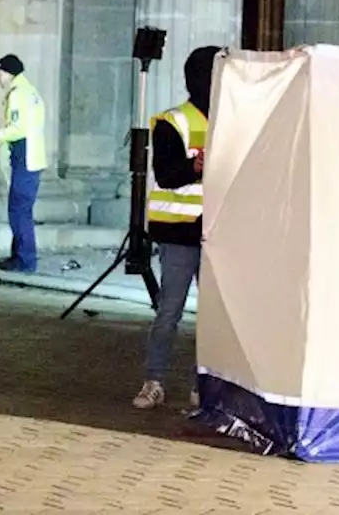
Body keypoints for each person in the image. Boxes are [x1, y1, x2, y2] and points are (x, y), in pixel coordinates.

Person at [132, 45, 220, 410]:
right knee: (170, 311)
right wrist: (196, 168)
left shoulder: (231, 119)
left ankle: (207, 388)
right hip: (180, 234)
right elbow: (166, 175)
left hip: (218, 233)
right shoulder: (173, 122)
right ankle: (154, 381)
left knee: (215, 320)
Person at [0, 54, 47, 273]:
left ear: (7, 73)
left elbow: (18, 128)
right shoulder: (31, 91)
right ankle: (19, 256)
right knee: (21, 208)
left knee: (18, 210)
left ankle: (25, 260)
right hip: (33, 155)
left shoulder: (17, 94)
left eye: (0, 72)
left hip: (24, 155)